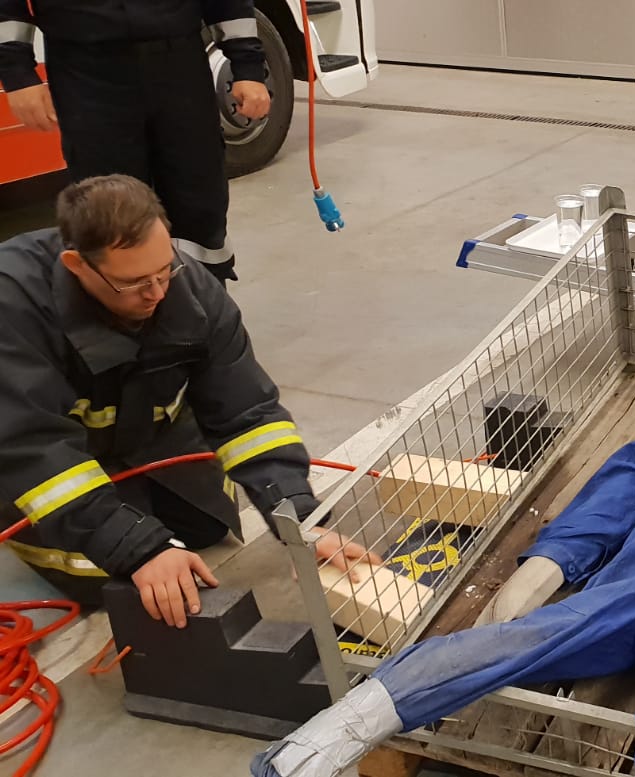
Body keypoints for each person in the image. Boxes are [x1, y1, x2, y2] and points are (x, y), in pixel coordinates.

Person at [0, 174, 373, 629]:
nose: (158, 294)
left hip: (143, 434)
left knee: (204, 529)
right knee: (109, 577)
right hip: (47, 462)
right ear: (77, 265)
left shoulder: (190, 286)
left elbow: (248, 413)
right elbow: (29, 447)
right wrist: (138, 548)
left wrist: (299, 518)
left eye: (164, 271)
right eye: (134, 283)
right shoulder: (13, 306)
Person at [0, 0, 270, 285]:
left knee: (199, 195)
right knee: (110, 208)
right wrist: (17, 74)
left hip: (179, 63)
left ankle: (204, 297)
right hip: (85, 72)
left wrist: (247, 66)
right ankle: (123, 302)